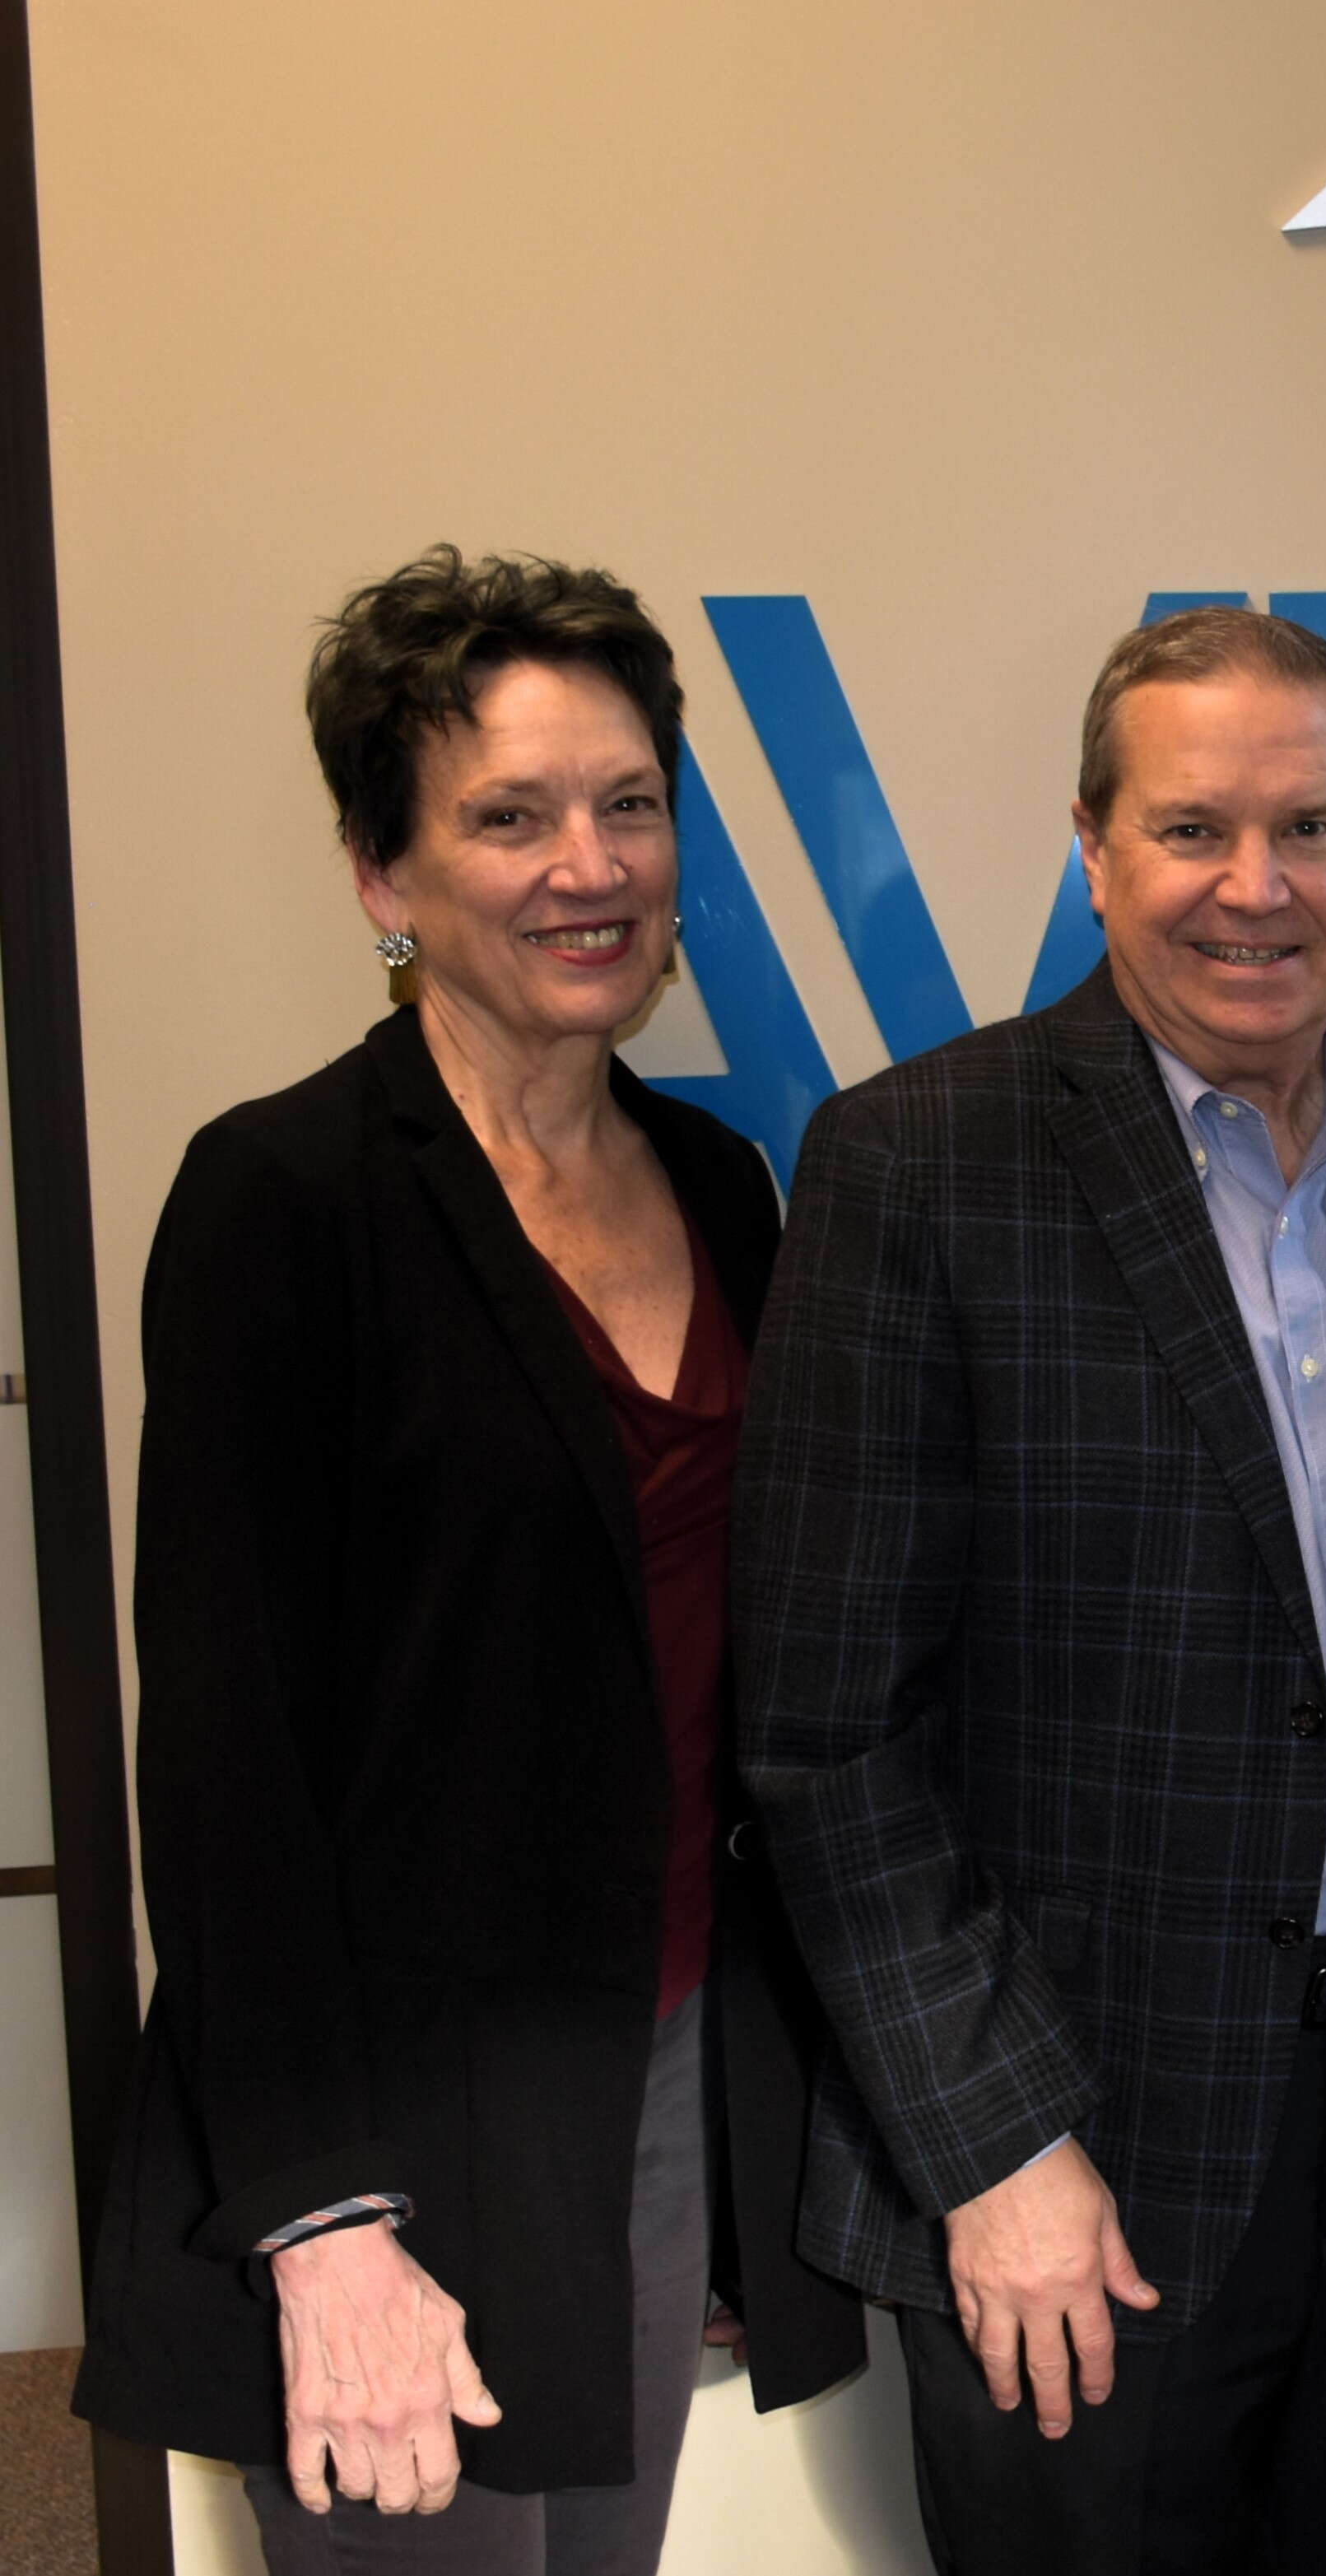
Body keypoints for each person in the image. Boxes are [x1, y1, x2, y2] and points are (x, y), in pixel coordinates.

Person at [733, 605, 1326, 2574]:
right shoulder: (917, 1163)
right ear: (1092, 844)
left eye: (1308, 825)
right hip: (1074, 2161)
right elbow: (823, 1736)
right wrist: (993, 2144)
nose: (1256, 886)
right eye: (1194, 827)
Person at [69, 548, 865, 2569]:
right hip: (393, 2113)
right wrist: (329, 2222)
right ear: (383, 875)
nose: (584, 864)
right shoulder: (284, 1197)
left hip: (657, 2054)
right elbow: (228, 1758)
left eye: (627, 804)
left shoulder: (719, 1178)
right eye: (506, 815)